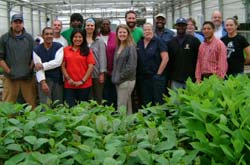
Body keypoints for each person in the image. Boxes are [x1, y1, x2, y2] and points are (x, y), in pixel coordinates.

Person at [0, 14, 37, 109]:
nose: (17, 24)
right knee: (8, 105)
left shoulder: (29, 38)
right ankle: (8, 123)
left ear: (22, 24)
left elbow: (35, 55)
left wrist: (29, 68)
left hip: (27, 79)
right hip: (10, 79)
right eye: (15, 22)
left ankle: (31, 123)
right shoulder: (4, 38)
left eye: (20, 22)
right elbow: (0, 58)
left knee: (31, 104)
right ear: (11, 24)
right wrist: (9, 71)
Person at [62, 28, 95, 107]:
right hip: (69, 84)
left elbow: (91, 67)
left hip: (84, 84)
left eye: (80, 37)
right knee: (70, 107)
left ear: (83, 38)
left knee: (83, 108)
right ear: (72, 38)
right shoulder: (66, 50)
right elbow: (62, 66)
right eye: (75, 37)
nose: (77, 39)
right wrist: (68, 79)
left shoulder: (87, 51)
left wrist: (82, 81)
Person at [137, 23, 169, 106]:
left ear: (153, 30)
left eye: (149, 29)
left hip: (156, 78)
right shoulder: (139, 43)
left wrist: (158, 74)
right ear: (142, 31)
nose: (147, 31)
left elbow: (165, 58)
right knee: (145, 102)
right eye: (145, 30)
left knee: (157, 102)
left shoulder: (159, 41)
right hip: (143, 79)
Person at [33, 27, 64, 106]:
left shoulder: (59, 47)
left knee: (58, 104)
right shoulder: (37, 50)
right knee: (45, 105)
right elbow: (37, 68)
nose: (49, 36)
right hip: (44, 80)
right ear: (42, 36)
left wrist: (43, 65)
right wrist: (43, 83)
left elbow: (57, 62)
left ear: (53, 35)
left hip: (57, 80)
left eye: (51, 34)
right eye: (46, 34)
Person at [168, 18, 201, 89]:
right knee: (176, 100)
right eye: (179, 25)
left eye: (183, 25)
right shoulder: (171, 42)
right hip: (176, 79)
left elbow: (199, 59)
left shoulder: (194, 41)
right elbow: (169, 62)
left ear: (186, 26)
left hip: (191, 79)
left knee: (190, 99)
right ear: (175, 26)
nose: (181, 27)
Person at [112, 24, 137, 114]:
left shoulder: (130, 47)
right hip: (119, 81)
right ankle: (129, 124)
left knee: (121, 106)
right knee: (127, 105)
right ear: (117, 34)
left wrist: (119, 78)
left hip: (126, 81)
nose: (122, 34)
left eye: (124, 32)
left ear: (128, 34)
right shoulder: (119, 46)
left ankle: (121, 126)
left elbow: (131, 67)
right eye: (120, 32)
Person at [85, 18, 107, 104]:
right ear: (85, 27)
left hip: (97, 73)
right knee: (88, 97)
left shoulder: (99, 40)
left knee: (98, 97)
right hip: (85, 73)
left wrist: (102, 73)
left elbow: (102, 57)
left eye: (92, 25)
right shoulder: (82, 40)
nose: (90, 27)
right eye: (88, 25)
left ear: (94, 27)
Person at [99, 19, 117, 107]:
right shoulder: (97, 37)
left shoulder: (115, 36)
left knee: (114, 92)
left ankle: (114, 110)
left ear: (110, 25)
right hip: (101, 71)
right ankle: (106, 110)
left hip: (114, 70)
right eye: (103, 24)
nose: (105, 25)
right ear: (100, 26)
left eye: (107, 24)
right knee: (104, 93)